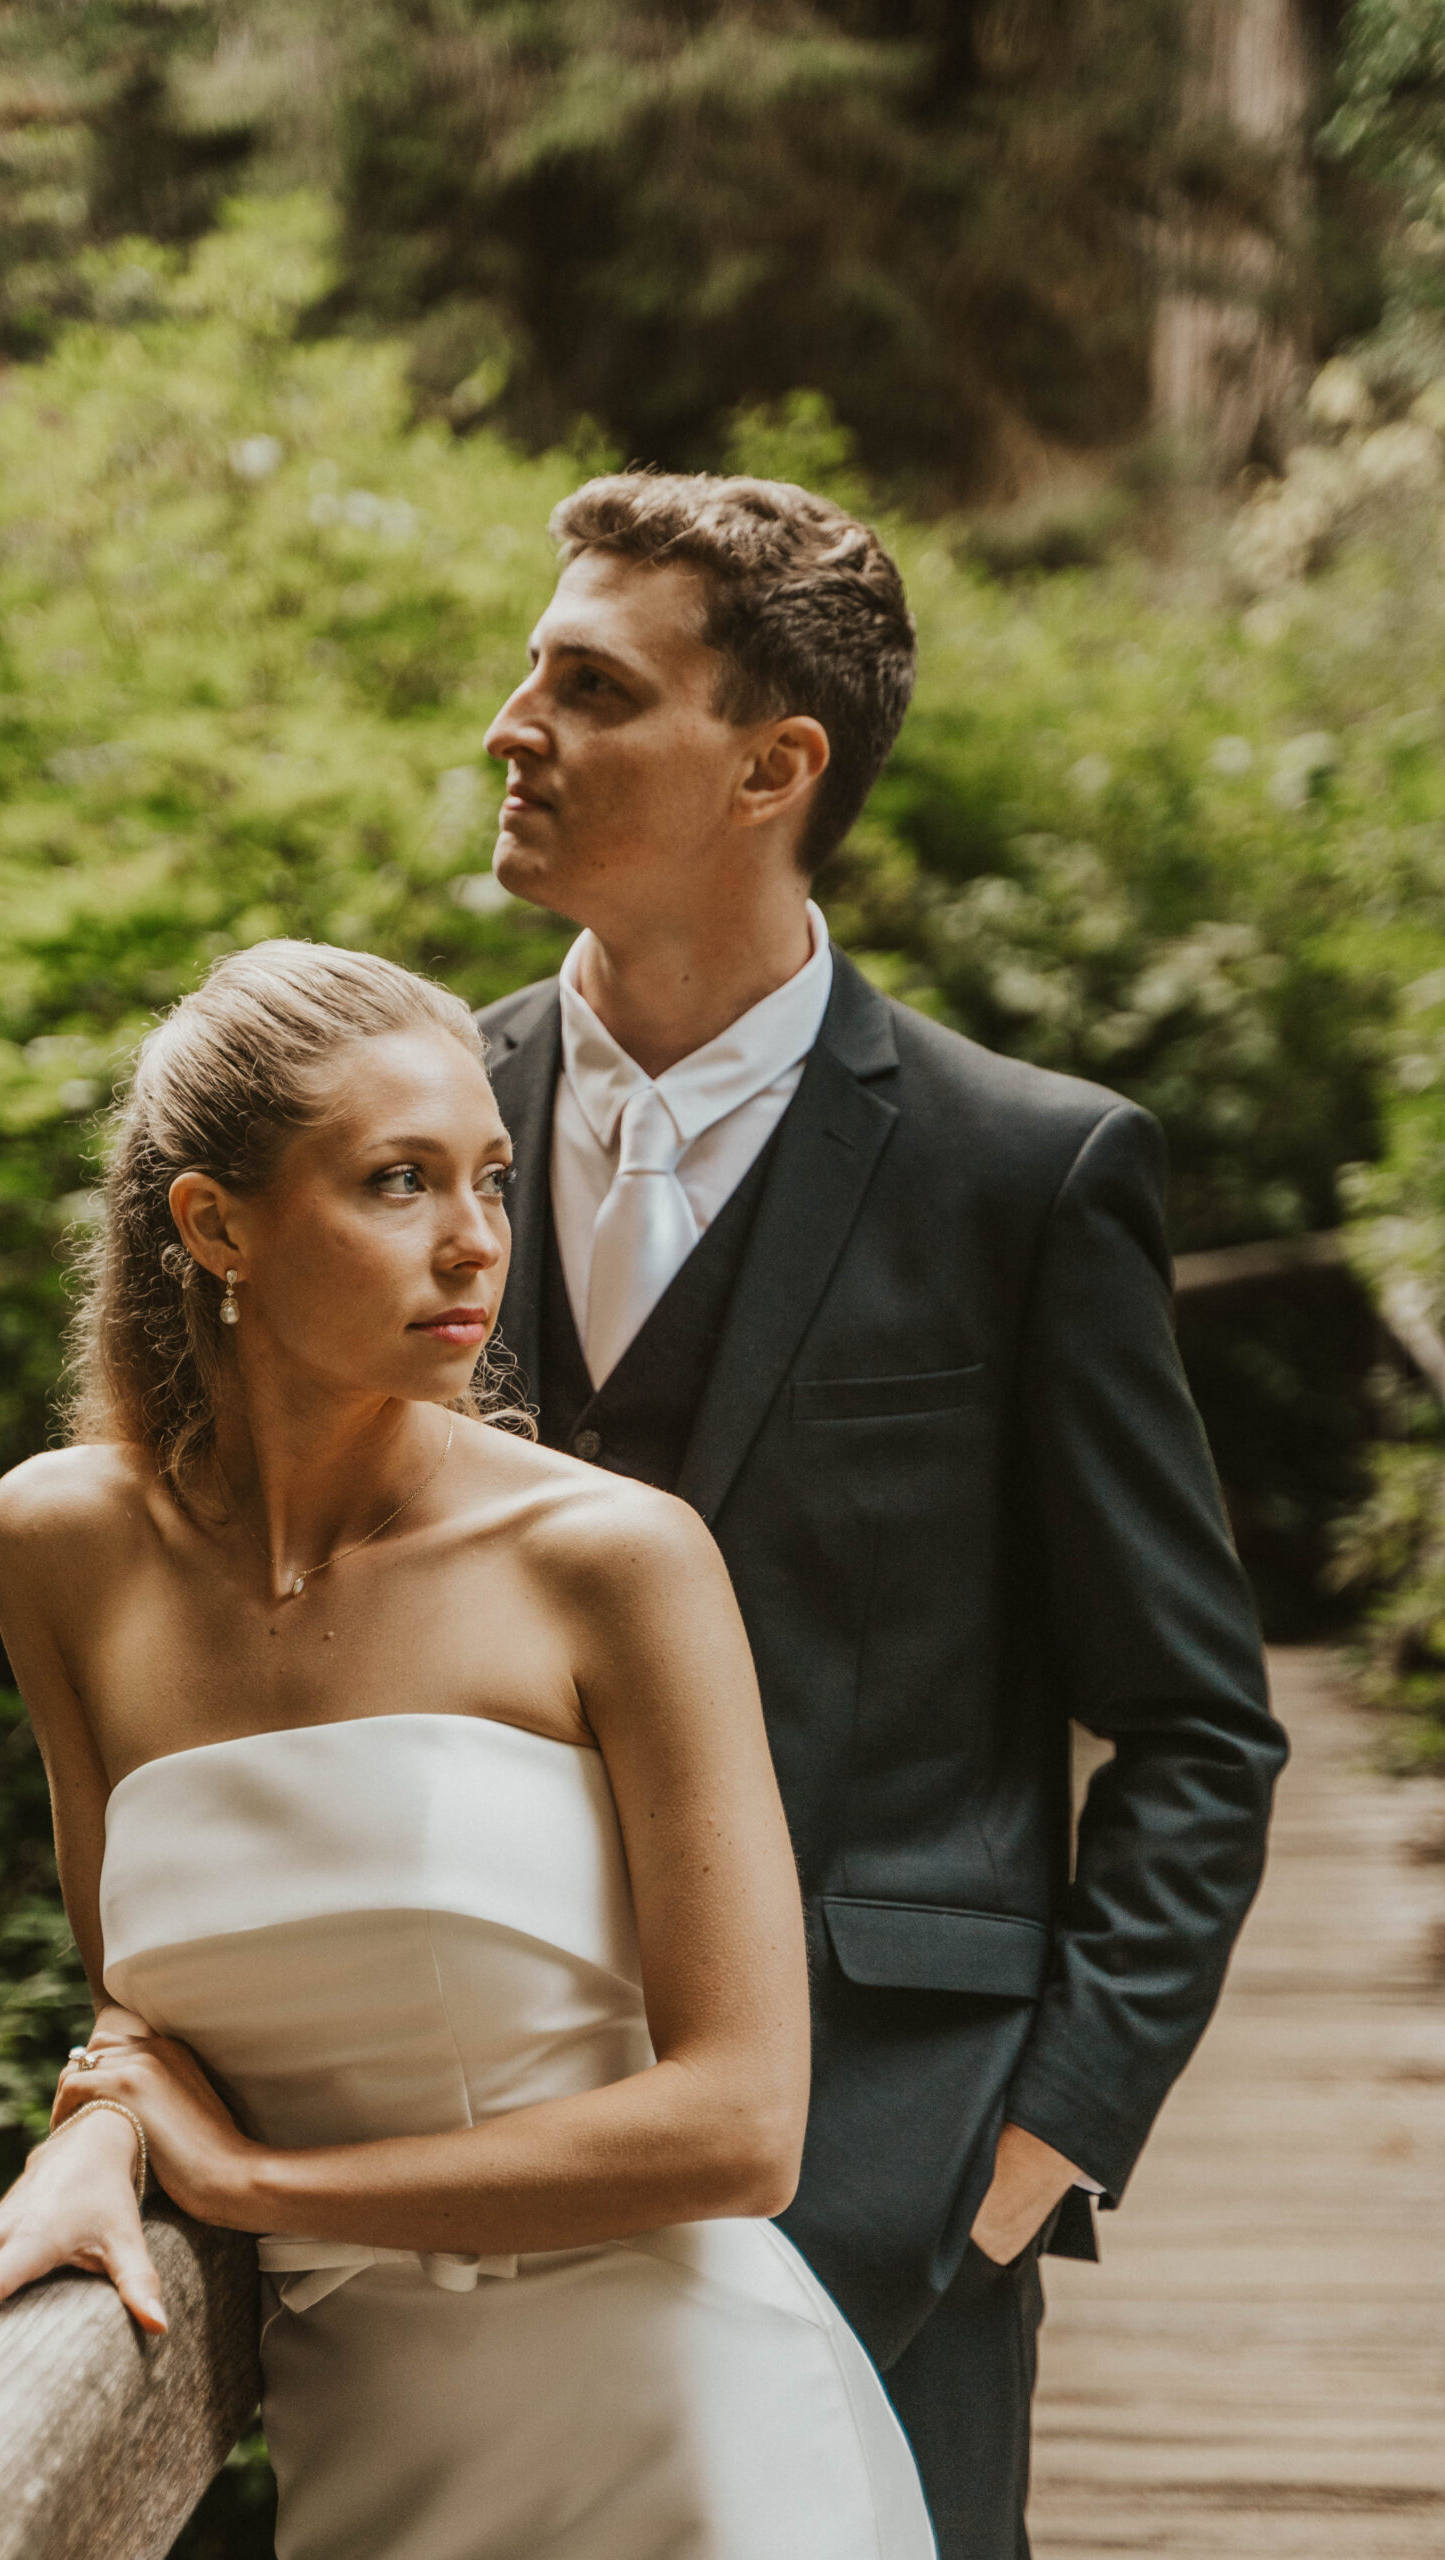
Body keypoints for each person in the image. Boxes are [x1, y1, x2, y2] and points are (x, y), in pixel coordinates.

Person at [476, 471, 1288, 2560]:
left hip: (892, 2182)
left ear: (771, 765)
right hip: (451, 2169)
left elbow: (1195, 1722)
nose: (510, 721)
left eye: (587, 684)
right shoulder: (410, 1131)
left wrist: (1041, 2137)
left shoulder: (1024, 1174)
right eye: (530, 668)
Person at [0, 940, 937, 2560]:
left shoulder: (613, 1559)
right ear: (214, 1226)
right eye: (399, 1182)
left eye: (491, 1179)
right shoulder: (57, 1544)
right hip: (363, 2436)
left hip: (686, 2437)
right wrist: (100, 2133)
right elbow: (143, 1995)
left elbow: (742, 2127)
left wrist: (254, 2188)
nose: (475, 1242)